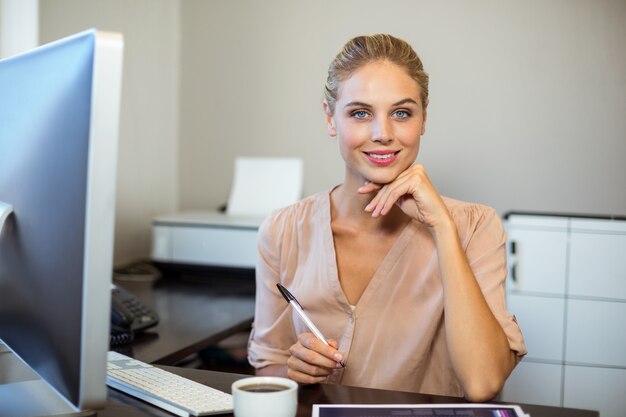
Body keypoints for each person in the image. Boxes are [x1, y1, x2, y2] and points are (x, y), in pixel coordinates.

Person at [247, 34, 526, 402]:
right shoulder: (282, 231)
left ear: (423, 119)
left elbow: (483, 383)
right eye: (360, 113)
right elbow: (268, 369)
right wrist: (296, 370)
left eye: (401, 113)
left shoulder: (476, 226)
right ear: (330, 118)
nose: (383, 134)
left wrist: (442, 228)